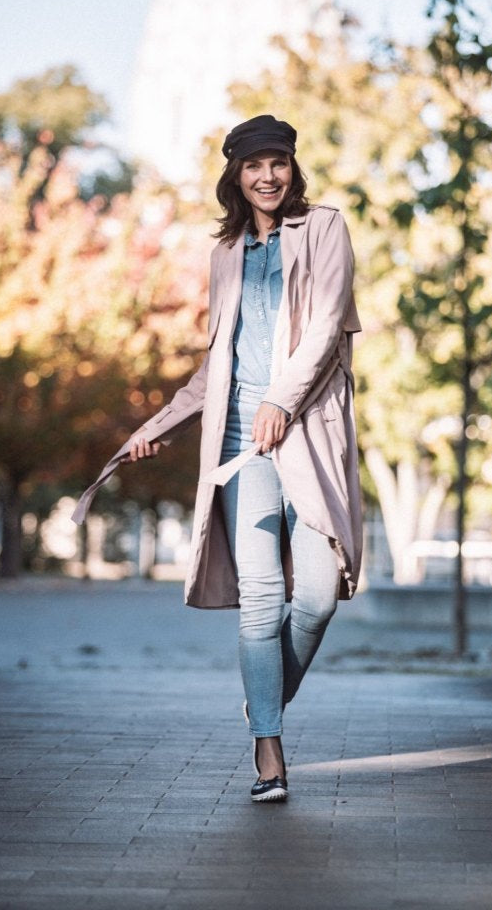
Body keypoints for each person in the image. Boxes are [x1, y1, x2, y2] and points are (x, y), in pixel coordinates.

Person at [72, 114, 363, 803]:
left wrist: (280, 401)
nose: (267, 176)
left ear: (292, 168)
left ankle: (262, 699)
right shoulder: (226, 251)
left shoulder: (324, 228)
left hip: (307, 434)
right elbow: (217, 365)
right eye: (253, 165)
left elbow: (325, 327)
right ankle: (269, 749)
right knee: (260, 596)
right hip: (240, 445)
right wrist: (158, 428)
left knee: (317, 596)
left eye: (278, 163)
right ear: (235, 175)